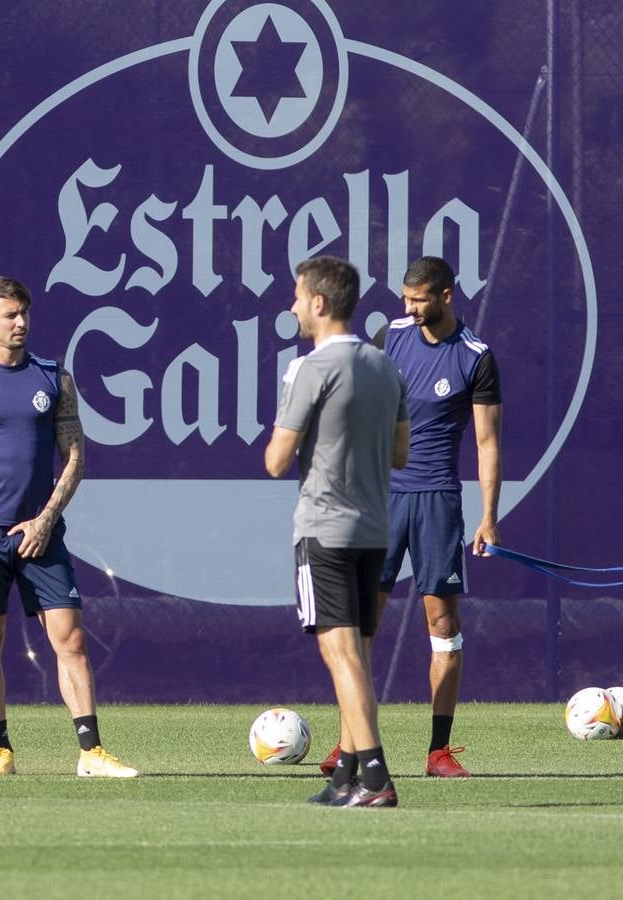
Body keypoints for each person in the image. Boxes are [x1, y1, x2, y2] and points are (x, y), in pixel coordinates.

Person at [0, 275, 137, 779]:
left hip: (41, 534)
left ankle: (91, 752)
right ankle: (0, 750)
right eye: (10, 315)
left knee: (70, 638)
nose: (20, 323)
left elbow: (75, 459)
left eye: (24, 314)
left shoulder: (55, 378)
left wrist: (45, 520)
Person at [316, 255, 501, 780]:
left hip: (437, 501)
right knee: (362, 623)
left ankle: (438, 751)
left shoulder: (476, 356)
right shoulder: (390, 336)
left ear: (446, 297)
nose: (409, 307)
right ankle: (350, 744)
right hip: (380, 499)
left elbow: (488, 443)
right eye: (405, 298)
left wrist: (489, 515)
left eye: (419, 299)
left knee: (442, 624)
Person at [265, 256, 410, 807]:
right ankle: (347, 774)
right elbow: (400, 452)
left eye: (298, 297)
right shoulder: (385, 366)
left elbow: (277, 460)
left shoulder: (309, 369)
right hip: (374, 528)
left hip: (324, 528)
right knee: (360, 655)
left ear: (320, 303)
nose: (293, 306)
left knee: (341, 655)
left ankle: (374, 777)